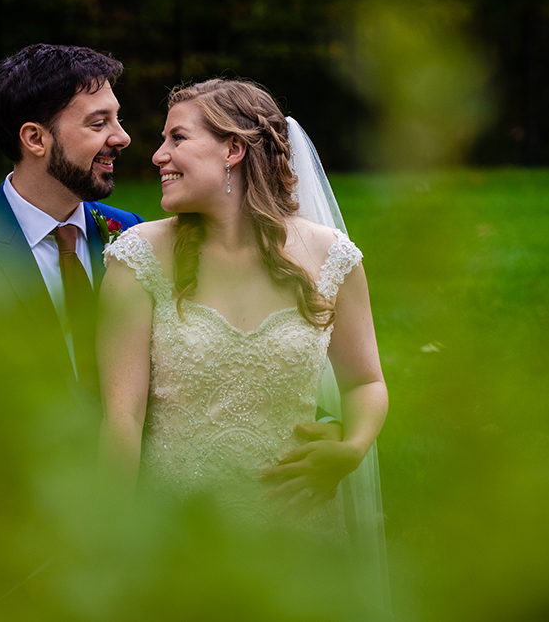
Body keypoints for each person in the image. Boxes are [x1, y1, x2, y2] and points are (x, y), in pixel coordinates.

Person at [96, 79, 389, 588]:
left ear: (233, 148)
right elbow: (122, 416)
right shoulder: (138, 256)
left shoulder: (332, 256)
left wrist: (353, 447)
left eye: (177, 139)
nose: (158, 155)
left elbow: (365, 382)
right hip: (179, 532)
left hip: (301, 531)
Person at [0, 44, 144, 400]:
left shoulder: (132, 233)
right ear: (35, 139)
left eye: (117, 118)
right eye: (98, 123)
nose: (122, 137)